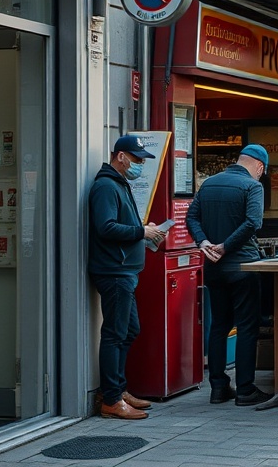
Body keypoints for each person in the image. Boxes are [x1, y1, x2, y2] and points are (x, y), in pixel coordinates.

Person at [88, 134, 168, 420]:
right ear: (120, 156)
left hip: (124, 271)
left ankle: (118, 389)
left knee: (129, 330)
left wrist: (143, 228)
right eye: (135, 160)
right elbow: (106, 227)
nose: (139, 166)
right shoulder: (107, 186)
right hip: (115, 271)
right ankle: (110, 399)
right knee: (115, 333)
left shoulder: (118, 183)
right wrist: (141, 232)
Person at [186, 144, 272, 407]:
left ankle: (218, 387)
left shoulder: (209, 183)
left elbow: (192, 217)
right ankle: (245, 389)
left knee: (219, 326)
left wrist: (204, 243)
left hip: (213, 269)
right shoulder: (252, 187)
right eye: (263, 172)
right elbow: (253, 223)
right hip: (243, 267)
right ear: (259, 166)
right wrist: (225, 246)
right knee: (247, 326)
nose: (261, 176)